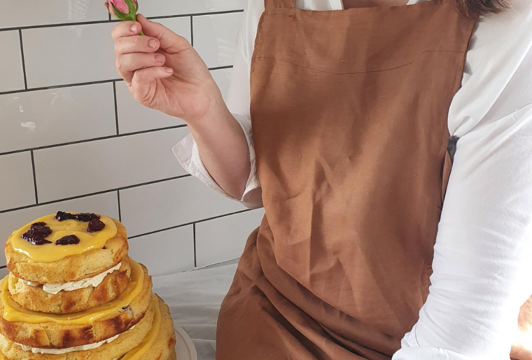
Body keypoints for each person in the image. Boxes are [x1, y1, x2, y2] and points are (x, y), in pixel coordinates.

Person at [111, 0, 532, 358]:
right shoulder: (272, 8)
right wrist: (201, 110)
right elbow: (251, 183)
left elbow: (465, 323)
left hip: (422, 333)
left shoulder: (514, 26)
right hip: (276, 310)